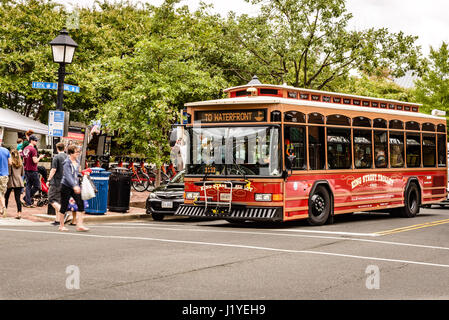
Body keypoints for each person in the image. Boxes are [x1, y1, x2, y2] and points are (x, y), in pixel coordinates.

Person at [59, 145, 89, 232]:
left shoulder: (77, 161)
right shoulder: (66, 162)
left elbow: (75, 173)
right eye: (76, 152)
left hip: (75, 185)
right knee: (64, 206)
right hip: (66, 186)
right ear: (71, 153)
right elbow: (68, 175)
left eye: (79, 152)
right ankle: (61, 226)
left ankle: (80, 225)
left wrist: (82, 174)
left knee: (81, 204)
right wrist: (74, 185)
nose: (78, 154)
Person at [47, 142, 67, 226]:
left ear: (57, 148)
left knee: (51, 199)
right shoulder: (67, 157)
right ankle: (57, 220)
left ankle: (63, 213)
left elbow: (53, 169)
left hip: (56, 181)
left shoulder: (56, 157)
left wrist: (48, 179)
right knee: (58, 200)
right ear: (64, 148)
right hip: (65, 181)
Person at [22, 135, 45, 207]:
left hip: (26, 169)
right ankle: (26, 199)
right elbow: (35, 161)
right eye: (35, 140)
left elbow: (23, 160)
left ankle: (27, 201)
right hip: (33, 170)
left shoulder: (25, 148)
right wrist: (40, 157)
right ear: (31, 140)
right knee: (37, 186)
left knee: (28, 186)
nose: (36, 141)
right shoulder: (33, 149)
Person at [5, 149, 24, 219]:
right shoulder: (21, 163)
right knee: (18, 199)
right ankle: (19, 213)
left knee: (6, 197)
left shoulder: (10, 163)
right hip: (19, 181)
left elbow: (9, 173)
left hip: (11, 181)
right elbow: (22, 174)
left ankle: (4, 210)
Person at [0, 144, 11, 217]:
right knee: (2, 193)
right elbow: (10, 163)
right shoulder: (6, 150)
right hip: (4, 175)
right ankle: (3, 208)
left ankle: (3, 207)